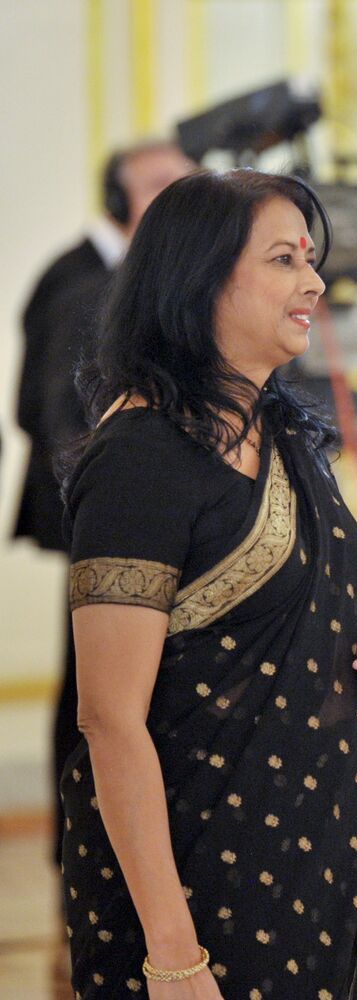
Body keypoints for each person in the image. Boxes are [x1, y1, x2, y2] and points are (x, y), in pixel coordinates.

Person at [60, 168, 357, 999]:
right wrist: (174, 953)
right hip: (189, 894)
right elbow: (109, 720)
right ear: (202, 277)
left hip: (311, 870)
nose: (315, 280)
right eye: (284, 259)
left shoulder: (288, 436)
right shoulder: (141, 457)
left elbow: (302, 618)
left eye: (312, 258)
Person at [12, 140, 195, 865]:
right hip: (101, 515)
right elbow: (58, 413)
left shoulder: (117, 278)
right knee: (99, 692)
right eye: (161, 187)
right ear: (119, 203)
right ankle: (86, 837)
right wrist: (119, 502)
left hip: (110, 511)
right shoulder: (87, 284)